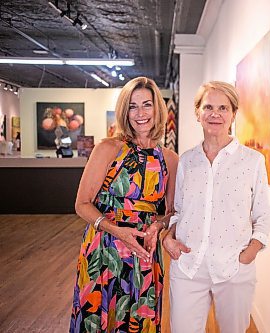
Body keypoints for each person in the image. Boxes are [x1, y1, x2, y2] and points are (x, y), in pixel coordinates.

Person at [70, 76, 178, 332]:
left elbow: (171, 212)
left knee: (138, 321)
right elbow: (82, 204)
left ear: (157, 109)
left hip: (144, 252)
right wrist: (117, 231)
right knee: (98, 319)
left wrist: (157, 227)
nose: (140, 113)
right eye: (133, 106)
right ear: (124, 111)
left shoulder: (170, 159)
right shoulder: (108, 148)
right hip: (104, 248)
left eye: (147, 105)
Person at [163, 81, 270, 333]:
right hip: (188, 265)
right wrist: (168, 238)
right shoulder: (187, 161)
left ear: (233, 114)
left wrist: (250, 252)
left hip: (234, 267)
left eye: (223, 108)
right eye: (208, 107)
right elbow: (178, 211)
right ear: (197, 113)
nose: (215, 114)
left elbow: (263, 213)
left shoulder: (252, 161)